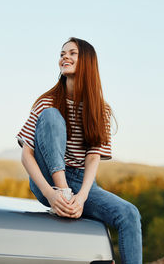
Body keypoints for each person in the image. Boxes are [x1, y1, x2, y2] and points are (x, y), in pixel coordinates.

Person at [16, 37, 142, 264]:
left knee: (130, 214)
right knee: (52, 115)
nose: (65, 56)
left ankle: (71, 198)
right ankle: (63, 195)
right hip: (48, 179)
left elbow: (93, 157)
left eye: (72, 53)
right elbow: (27, 154)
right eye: (62, 53)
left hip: (82, 182)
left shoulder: (100, 109)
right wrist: (53, 194)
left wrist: (82, 197)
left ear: (87, 62)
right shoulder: (47, 101)